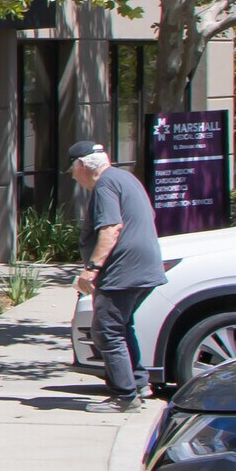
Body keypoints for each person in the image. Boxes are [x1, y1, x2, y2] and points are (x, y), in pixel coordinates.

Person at [69, 141, 166, 413]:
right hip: (144, 268)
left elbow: (111, 227)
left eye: (73, 171)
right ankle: (138, 384)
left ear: (81, 165)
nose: (74, 177)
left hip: (123, 270)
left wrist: (92, 268)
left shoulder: (105, 185)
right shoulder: (126, 178)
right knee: (122, 326)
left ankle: (124, 397)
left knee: (106, 331)